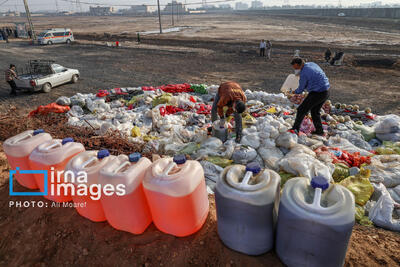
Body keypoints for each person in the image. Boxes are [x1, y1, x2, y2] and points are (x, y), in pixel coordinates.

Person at [290, 58, 330, 135]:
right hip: (326, 91)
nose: (295, 69)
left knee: (301, 110)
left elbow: (301, 88)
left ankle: (295, 129)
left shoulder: (304, 73)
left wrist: (294, 92)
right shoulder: (312, 64)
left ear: (299, 65)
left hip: (317, 93)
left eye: (296, 68)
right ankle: (319, 131)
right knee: (315, 112)